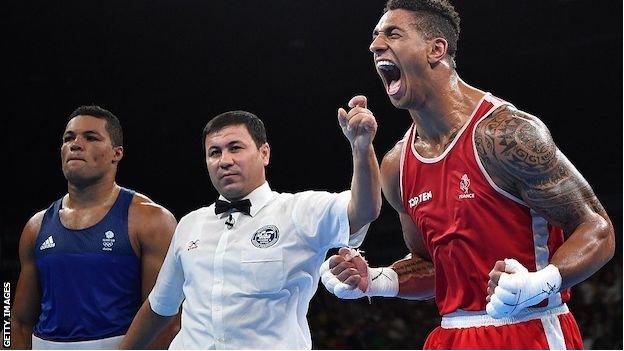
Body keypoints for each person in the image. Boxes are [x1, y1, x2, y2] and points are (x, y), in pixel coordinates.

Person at [320, 0, 615, 349]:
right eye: (374, 36)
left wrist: (541, 281)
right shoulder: (396, 164)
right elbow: (430, 267)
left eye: (392, 34)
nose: (375, 45)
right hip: (450, 336)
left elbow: (598, 229)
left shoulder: (505, 134)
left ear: (436, 49)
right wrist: (374, 278)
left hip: (528, 330)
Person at [119, 108, 382, 349]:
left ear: (264, 153)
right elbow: (160, 306)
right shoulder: (189, 224)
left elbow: (363, 210)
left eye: (235, 148)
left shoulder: (298, 212)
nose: (225, 160)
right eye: (215, 152)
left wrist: (361, 149)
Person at [11, 106, 180, 349]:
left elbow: (166, 319)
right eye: (68, 138)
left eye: (90, 137)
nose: (76, 144)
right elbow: (17, 321)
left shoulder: (150, 220)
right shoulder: (36, 226)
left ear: (117, 153)